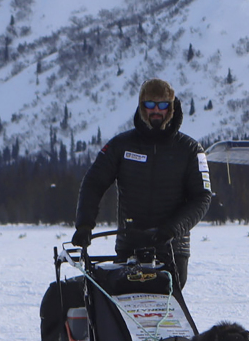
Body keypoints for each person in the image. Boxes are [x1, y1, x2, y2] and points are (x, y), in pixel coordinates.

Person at [72, 78, 213, 290]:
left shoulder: (191, 150)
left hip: (172, 249)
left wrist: (173, 229)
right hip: (129, 246)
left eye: (163, 105)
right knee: (123, 315)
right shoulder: (121, 145)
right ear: (141, 106)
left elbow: (202, 197)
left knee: (164, 313)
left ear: (171, 108)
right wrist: (84, 224)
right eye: (150, 105)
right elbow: (93, 182)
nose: (156, 111)